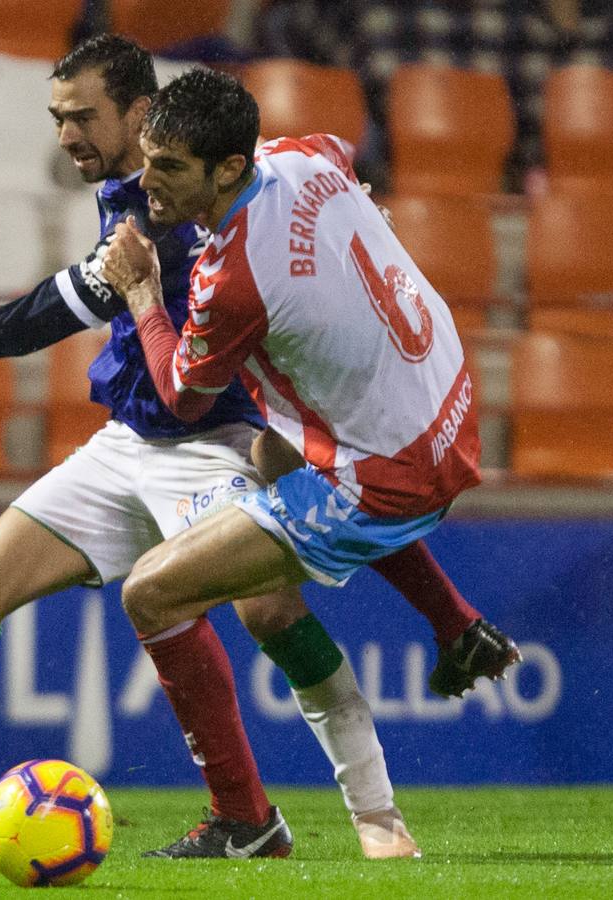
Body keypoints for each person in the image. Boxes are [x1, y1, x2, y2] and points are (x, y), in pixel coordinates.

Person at [0, 35, 512, 861]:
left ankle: (353, 816)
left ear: (143, 114)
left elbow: (31, 324)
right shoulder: (151, 186)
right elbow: (323, 154)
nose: (65, 135)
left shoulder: (181, 223)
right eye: (55, 117)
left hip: (220, 444)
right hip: (128, 444)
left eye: (82, 117)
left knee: (267, 608)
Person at [99, 69, 491, 679]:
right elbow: (341, 149)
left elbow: (183, 398)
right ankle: (458, 626)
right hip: (449, 408)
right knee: (274, 452)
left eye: (169, 168)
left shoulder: (233, 278)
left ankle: (329, 774)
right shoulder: (299, 153)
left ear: (228, 169)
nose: (146, 183)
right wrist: (355, 200)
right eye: (147, 161)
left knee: (148, 593)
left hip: (393, 478)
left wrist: (143, 292)